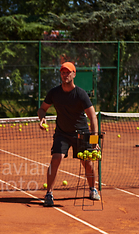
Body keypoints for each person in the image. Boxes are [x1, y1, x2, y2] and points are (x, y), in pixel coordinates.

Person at [37, 61, 101, 207]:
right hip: (62, 133)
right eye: (63, 72)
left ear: (74, 74)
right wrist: (42, 118)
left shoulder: (80, 94)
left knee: (87, 163)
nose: (65, 75)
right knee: (56, 159)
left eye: (68, 72)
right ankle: (49, 194)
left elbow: (92, 117)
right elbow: (42, 109)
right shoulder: (54, 93)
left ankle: (92, 189)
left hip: (81, 133)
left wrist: (94, 139)